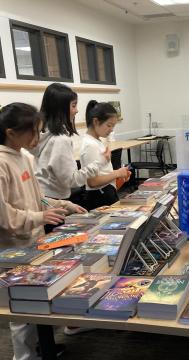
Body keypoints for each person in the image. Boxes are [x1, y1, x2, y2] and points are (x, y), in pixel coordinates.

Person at [0, 103, 85, 360]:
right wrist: (39, 216)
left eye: (39, 131)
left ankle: (41, 347)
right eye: (32, 133)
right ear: (11, 132)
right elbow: (4, 215)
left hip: (34, 238)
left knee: (38, 296)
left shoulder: (25, 156)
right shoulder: (2, 162)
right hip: (10, 246)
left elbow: (38, 197)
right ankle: (23, 356)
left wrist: (63, 205)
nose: (37, 139)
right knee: (21, 306)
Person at [30, 83, 106, 207]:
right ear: (60, 109)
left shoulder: (43, 135)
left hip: (43, 198)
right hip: (53, 201)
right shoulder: (60, 140)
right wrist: (100, 163)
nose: (77, 110)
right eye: (73, 105)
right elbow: (72, 180)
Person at [81, 101, 130, 211]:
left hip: (105, 193)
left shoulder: (96, 141)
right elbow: (92, 182)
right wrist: (117, 173)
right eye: (109, 125)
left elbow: (103, 173)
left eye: (113, 126)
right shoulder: (90, 145)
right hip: (98, 197)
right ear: (96, 121)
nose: (111, 129)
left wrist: (119, 176)